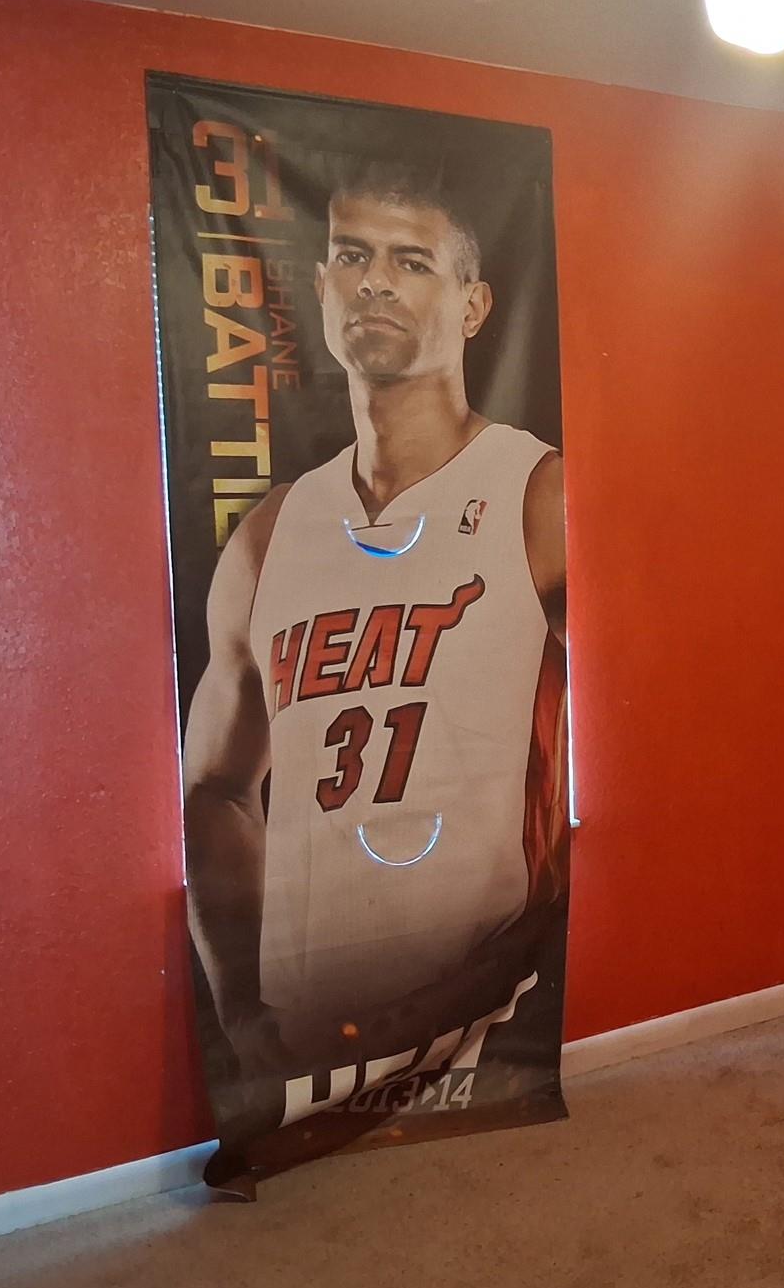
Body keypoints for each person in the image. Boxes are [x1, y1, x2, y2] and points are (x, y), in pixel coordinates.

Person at [182, 161, 566, 1094]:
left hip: (485, 1005)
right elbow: (216, 787)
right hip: (306, 1017)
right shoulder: (271, 533)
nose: (376, 283)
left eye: (412, 262)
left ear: (473, 306)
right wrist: (239, 1005)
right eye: (352, 256)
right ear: (321, 289)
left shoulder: (538, 494)